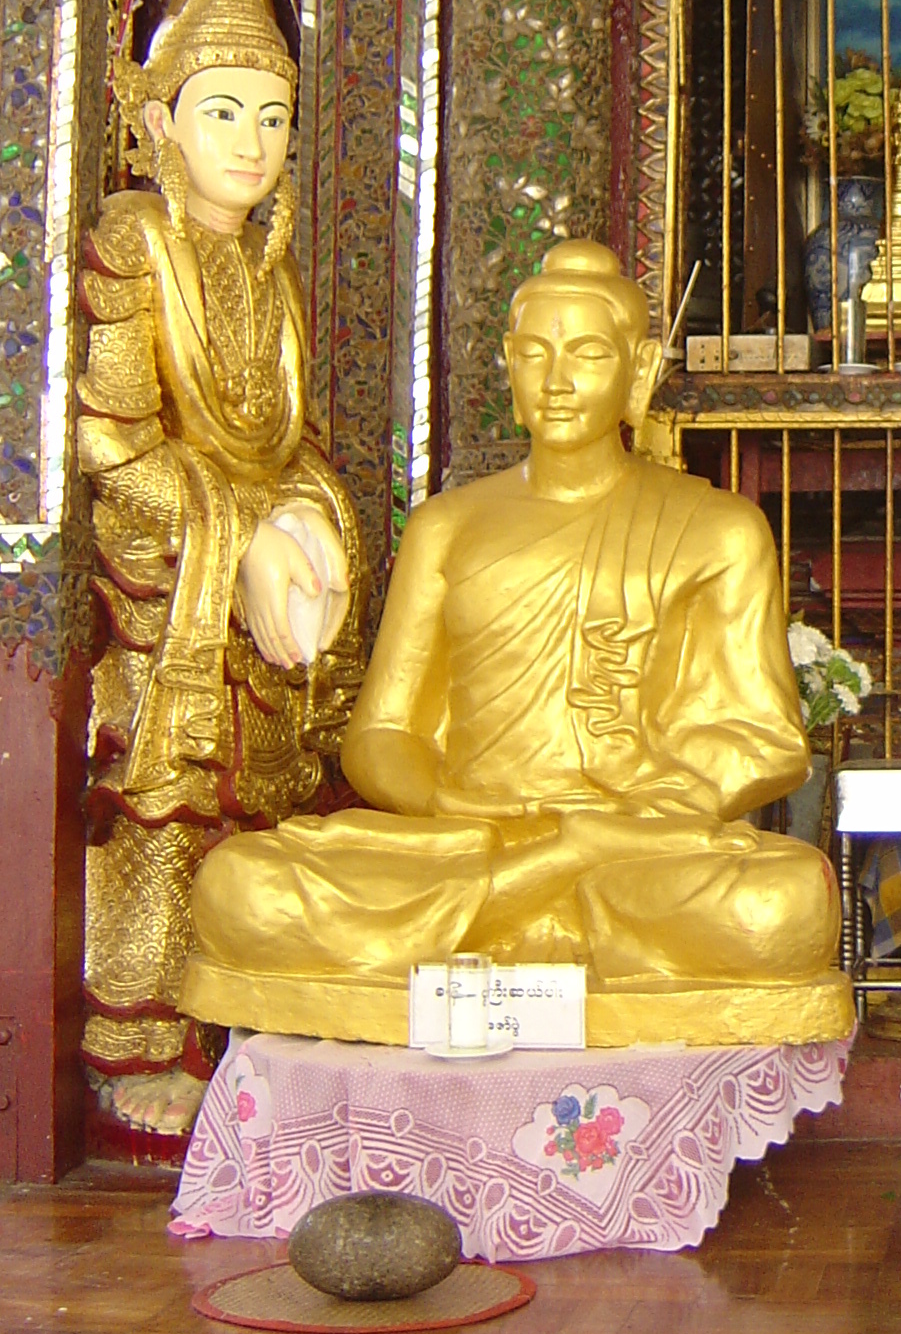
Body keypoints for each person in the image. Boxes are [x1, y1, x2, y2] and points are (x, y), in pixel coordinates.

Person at [182, 238, 850, 1047]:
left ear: (638, 372)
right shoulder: (446, 528)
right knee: (243, 886)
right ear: (506, 363)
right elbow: (381, 737)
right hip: (468, 841)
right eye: (535, 353)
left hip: (632, 850)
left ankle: (516, 911)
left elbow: (767, 740)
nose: (558, 380)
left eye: (589, 354)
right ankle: (545, 898)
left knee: (777, 909)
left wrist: (658, 796)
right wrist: (444, 799)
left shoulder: (717, 531)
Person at [82, 0, 363, 1139]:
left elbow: (285, 440)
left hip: (247, 575)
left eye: (270, 118)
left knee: (264, 805)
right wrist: (238, 531)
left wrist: (308, 519)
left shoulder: (269, 275)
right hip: (163, 588)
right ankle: (134, 1029)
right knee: (164, 804)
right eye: (221, 113)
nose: (250, 145)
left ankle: (237, 1013)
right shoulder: (137, 249)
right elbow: (111, 449)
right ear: (156, 124)